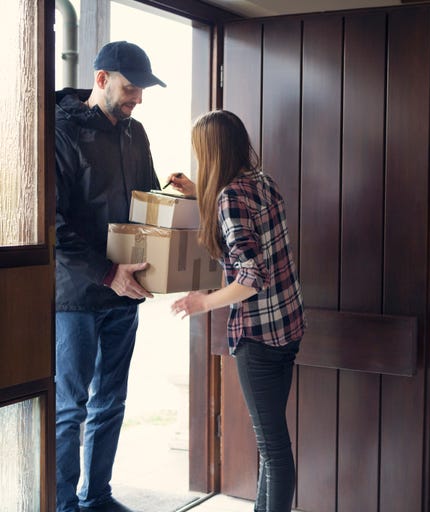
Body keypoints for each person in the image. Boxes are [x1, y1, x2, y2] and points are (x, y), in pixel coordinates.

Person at [169, 110, 305, 512]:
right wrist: (198, 191)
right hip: (289, 325)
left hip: (259, 336)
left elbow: (250, 277)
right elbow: (246, 222)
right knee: (271, 446)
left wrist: (202, 303)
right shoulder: (262, 183)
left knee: (273, 449)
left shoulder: (230, 198)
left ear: (212, 152)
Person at [54, 41, 165, 512]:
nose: (137, 98)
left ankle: (96, 496)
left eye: (141, 90)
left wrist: (172, 200)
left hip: (127, 293)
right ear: (101, 79)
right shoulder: (60, 132)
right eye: (130, 87)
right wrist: (106, 273)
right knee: (69, 408)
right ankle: (61, 503)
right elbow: (50, 225)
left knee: (111, 402)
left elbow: (148, 200)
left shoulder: (135, 134)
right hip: (77, 296)